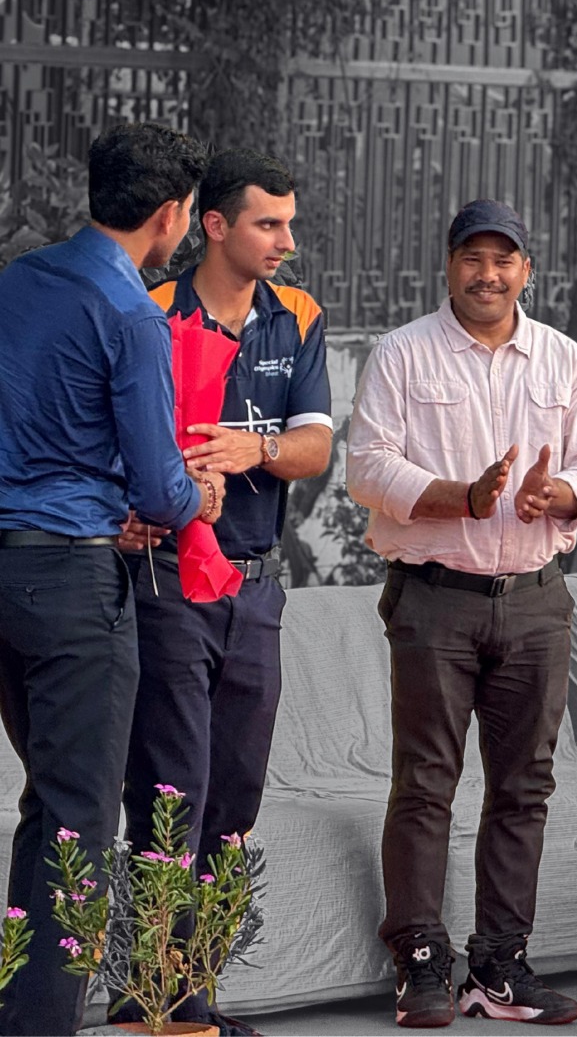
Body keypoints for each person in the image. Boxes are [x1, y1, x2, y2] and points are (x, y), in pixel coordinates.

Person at [347, 199, 577, 1028]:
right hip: (436, 598)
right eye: (473, 258)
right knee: (426, 783)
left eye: (504, 260)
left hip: (536, 601)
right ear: (449, 266)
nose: (488, 274)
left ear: (527, 272)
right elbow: (367, 467)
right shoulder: (401, 354)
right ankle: (423, 963)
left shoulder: (564, 361)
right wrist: (458, 498)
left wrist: (561, 491)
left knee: (524, 788)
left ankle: (500, 965)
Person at [0, 121, 223, 1037]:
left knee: (46, 807)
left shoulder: (16, 279)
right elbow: (160, 486)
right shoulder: (133, 312)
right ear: (171, 217)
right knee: (79, 825)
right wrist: (199, 495)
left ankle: (21, 1010)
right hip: (73, 585)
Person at [117, 149, 333, 1034]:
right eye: (267, 224)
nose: (286, 240)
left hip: (258, 588)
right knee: (173, 792)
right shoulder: (150, 310)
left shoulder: (301, 315)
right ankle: (151, 996)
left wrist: (258, 450)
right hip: (167, 582)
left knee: (236, 795)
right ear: (213, 225)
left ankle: (194, 990)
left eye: (288, 223)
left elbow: (317, 449)